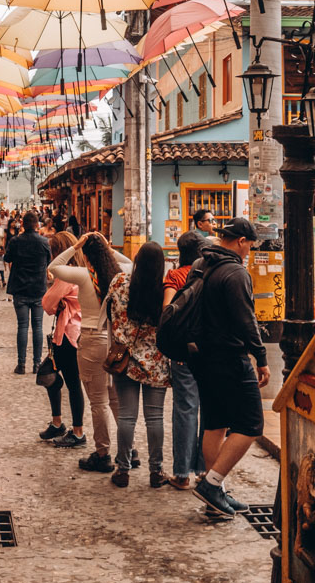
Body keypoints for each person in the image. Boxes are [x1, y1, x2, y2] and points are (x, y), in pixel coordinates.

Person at [186, 217, 270, 520]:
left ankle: (214, 493)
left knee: (215, 423)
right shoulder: (234, 272)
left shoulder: (201, 264)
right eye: (250, 246)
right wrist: (261, 358)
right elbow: (245, 320)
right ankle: (212, 485)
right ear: (242, 241)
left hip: (201, 356)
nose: (249, 251)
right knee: (250, 425)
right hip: (229, 356)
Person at [47, 232, 132, 473]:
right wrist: (107, 247)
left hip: (92, 339)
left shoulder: (84, 276)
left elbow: (54, 266)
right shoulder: (120, 274)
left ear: (85, 253)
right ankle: (129, 450)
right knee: (115, 399)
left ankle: (103, 453)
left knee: (98, 402)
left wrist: (76, 246)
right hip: (114, 341)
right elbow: (131, 262)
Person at [105, 241, 170, 488]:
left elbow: (110, 316)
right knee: (155, 419)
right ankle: (156, 472)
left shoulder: (119, 283)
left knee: (127, 417)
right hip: (156, 363)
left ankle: (123, 470)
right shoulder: (164, 289)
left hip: (125, 362)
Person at [162, 230, 205, 491]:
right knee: (208, 409)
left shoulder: (176, 276)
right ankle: (203, 470)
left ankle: (182, 473)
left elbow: (166, 312)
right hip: (209, 350)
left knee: (186, 409)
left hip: (184, 352)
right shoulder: (211, 275)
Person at [38, 230, 86, 446]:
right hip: (69, 333)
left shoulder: (67, 275)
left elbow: (47, 304)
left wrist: (56, 299)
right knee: (50, 374)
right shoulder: (83, 271)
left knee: (72, 382)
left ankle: (77, 432)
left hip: (68, 335)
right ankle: (58, 423)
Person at [5, 210, 51, 374]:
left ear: (22, 224)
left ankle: (21, 364)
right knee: (38, 326)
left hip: (20, 288)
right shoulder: (44, 242)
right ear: (37, 224)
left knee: (22, 326)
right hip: (38, 289)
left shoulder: (16, 241)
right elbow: (49, 261)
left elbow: (7, 258)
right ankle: (37, 364)